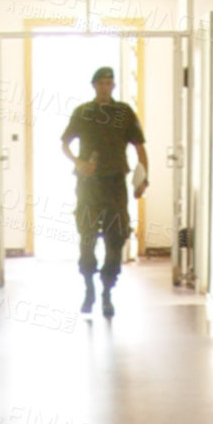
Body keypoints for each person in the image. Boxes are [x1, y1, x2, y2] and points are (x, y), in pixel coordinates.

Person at [61, 67, 148, 318]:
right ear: (94, 85)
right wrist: (78, 162)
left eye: (109, 82)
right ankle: (88, 286)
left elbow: (140, 147)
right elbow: (65, 143)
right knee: (87, 237)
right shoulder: (83, 112)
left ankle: (107, 292)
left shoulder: (123, 112)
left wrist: (143, 179)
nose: (105, 87)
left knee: (116, 238)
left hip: (114, 184)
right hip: (88, 184)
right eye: (100, 83)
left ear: (113, 86)